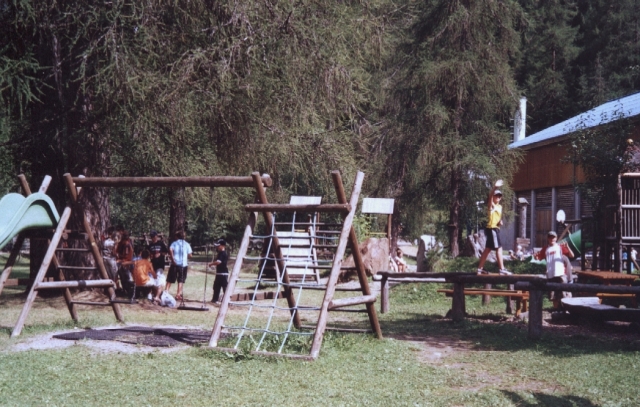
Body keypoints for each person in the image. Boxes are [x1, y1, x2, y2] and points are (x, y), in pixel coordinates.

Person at [477, 180, 511, 275]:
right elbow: (490, 198)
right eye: (496, 195)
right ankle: (502, 269)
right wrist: (495, 188)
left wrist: (500, 222)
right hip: (492, 229)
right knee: (499, 249)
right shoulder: (491, 206)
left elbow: (497, 219)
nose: (498, 197)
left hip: (495, 228)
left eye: (500, 196)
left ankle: (480, 269)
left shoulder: (499, 207)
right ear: (494, 197)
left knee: (487, 249)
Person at [534, 230, 574, 309]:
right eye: (550, 237)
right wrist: (535, 256)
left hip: (561, 274)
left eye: (553, 237)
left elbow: (572, 255)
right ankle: (555, 311)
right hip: (550, 274)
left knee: (564, 294)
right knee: (553, 295)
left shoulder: (560, 247)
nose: (552, 239)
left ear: (556, 238)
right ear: (548, 238)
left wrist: (567, 247)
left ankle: (565, 310)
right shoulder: (545, 249)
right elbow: (537, 258)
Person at [168, 231, 192, 301]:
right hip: (183, 265)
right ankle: (178, 294)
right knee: (181, 280)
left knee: (170, 279)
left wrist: (172, 259)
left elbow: (170, 249)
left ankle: (166, 291)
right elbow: (190, 255)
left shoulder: (174, 243)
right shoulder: (187, 244)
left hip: (174, 263)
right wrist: (185, 256)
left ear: (177, 236)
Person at [208, 238, 229, 304]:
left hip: (223, 273)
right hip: (219, 273)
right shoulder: (220, 253)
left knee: (224, 287)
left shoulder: (223, 253)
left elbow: (218, 262)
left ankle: (226, 299)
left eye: (218, 246)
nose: (217, 247)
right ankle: (215, 299)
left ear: (223, 246)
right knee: (216, 286)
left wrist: (211, 264)